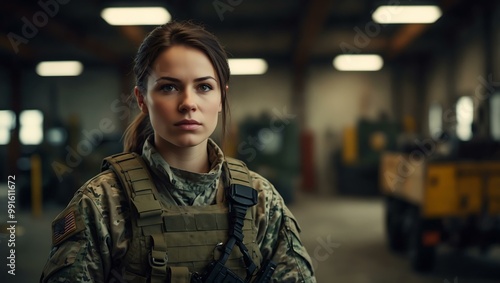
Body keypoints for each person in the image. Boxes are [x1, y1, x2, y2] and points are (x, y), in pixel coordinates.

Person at [40, 21, 316, 283]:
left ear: (221, 98)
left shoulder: (261, 200)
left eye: (204, 87)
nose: (188, 103)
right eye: (169, 87)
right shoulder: (102, 203)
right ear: (141, 99)